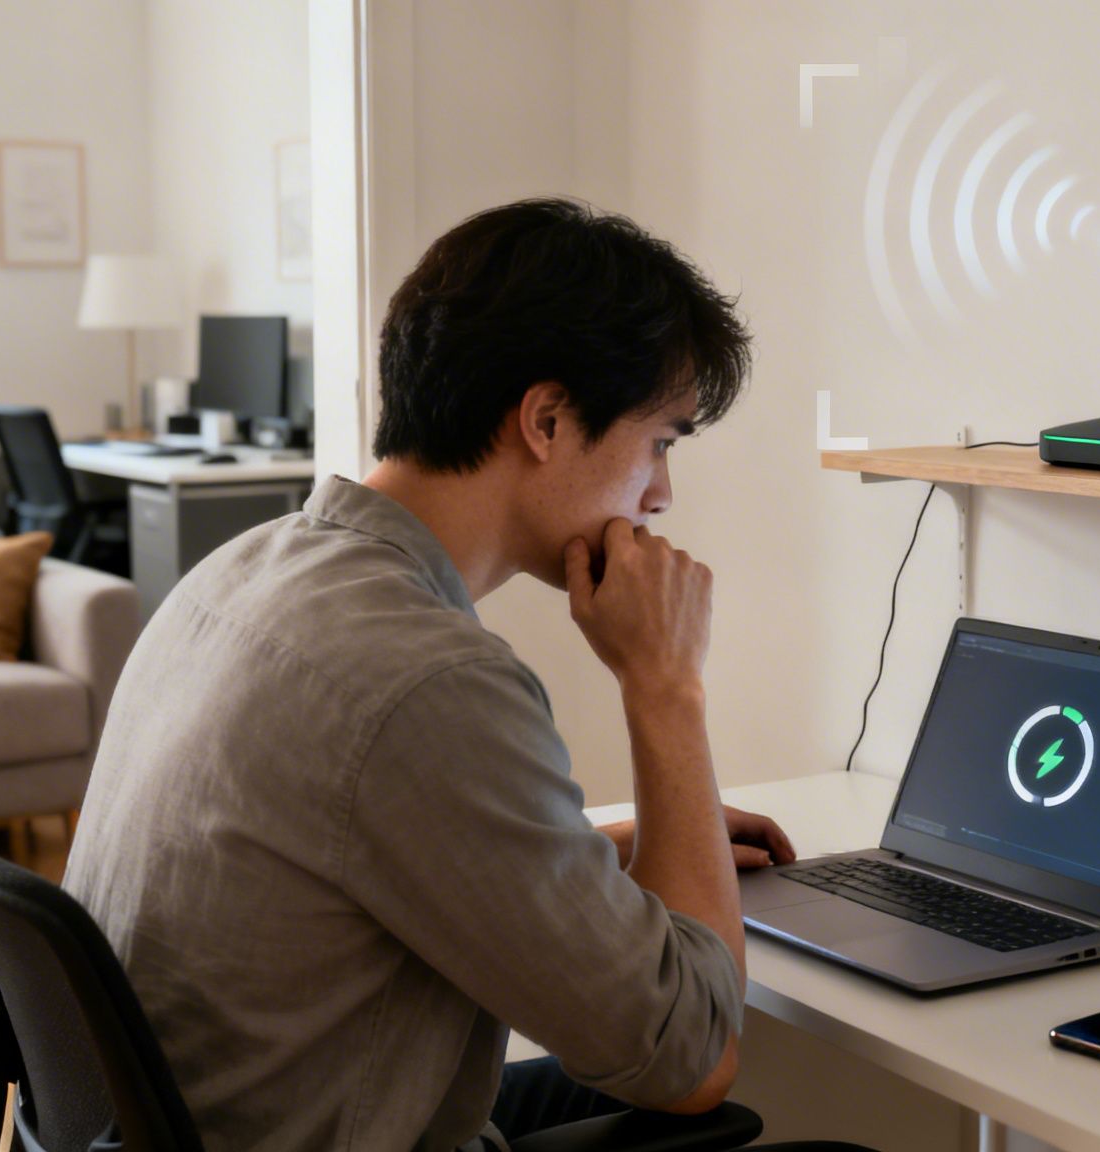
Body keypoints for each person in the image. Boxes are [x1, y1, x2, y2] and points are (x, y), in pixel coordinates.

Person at [64, 198, 795, 1151]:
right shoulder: (431, 680)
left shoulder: (241, 570)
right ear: (546, 419)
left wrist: (585, 851)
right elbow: (691, 1058)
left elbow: (339, 841)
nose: (661, 494)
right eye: (660, 441)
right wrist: (666, 685)